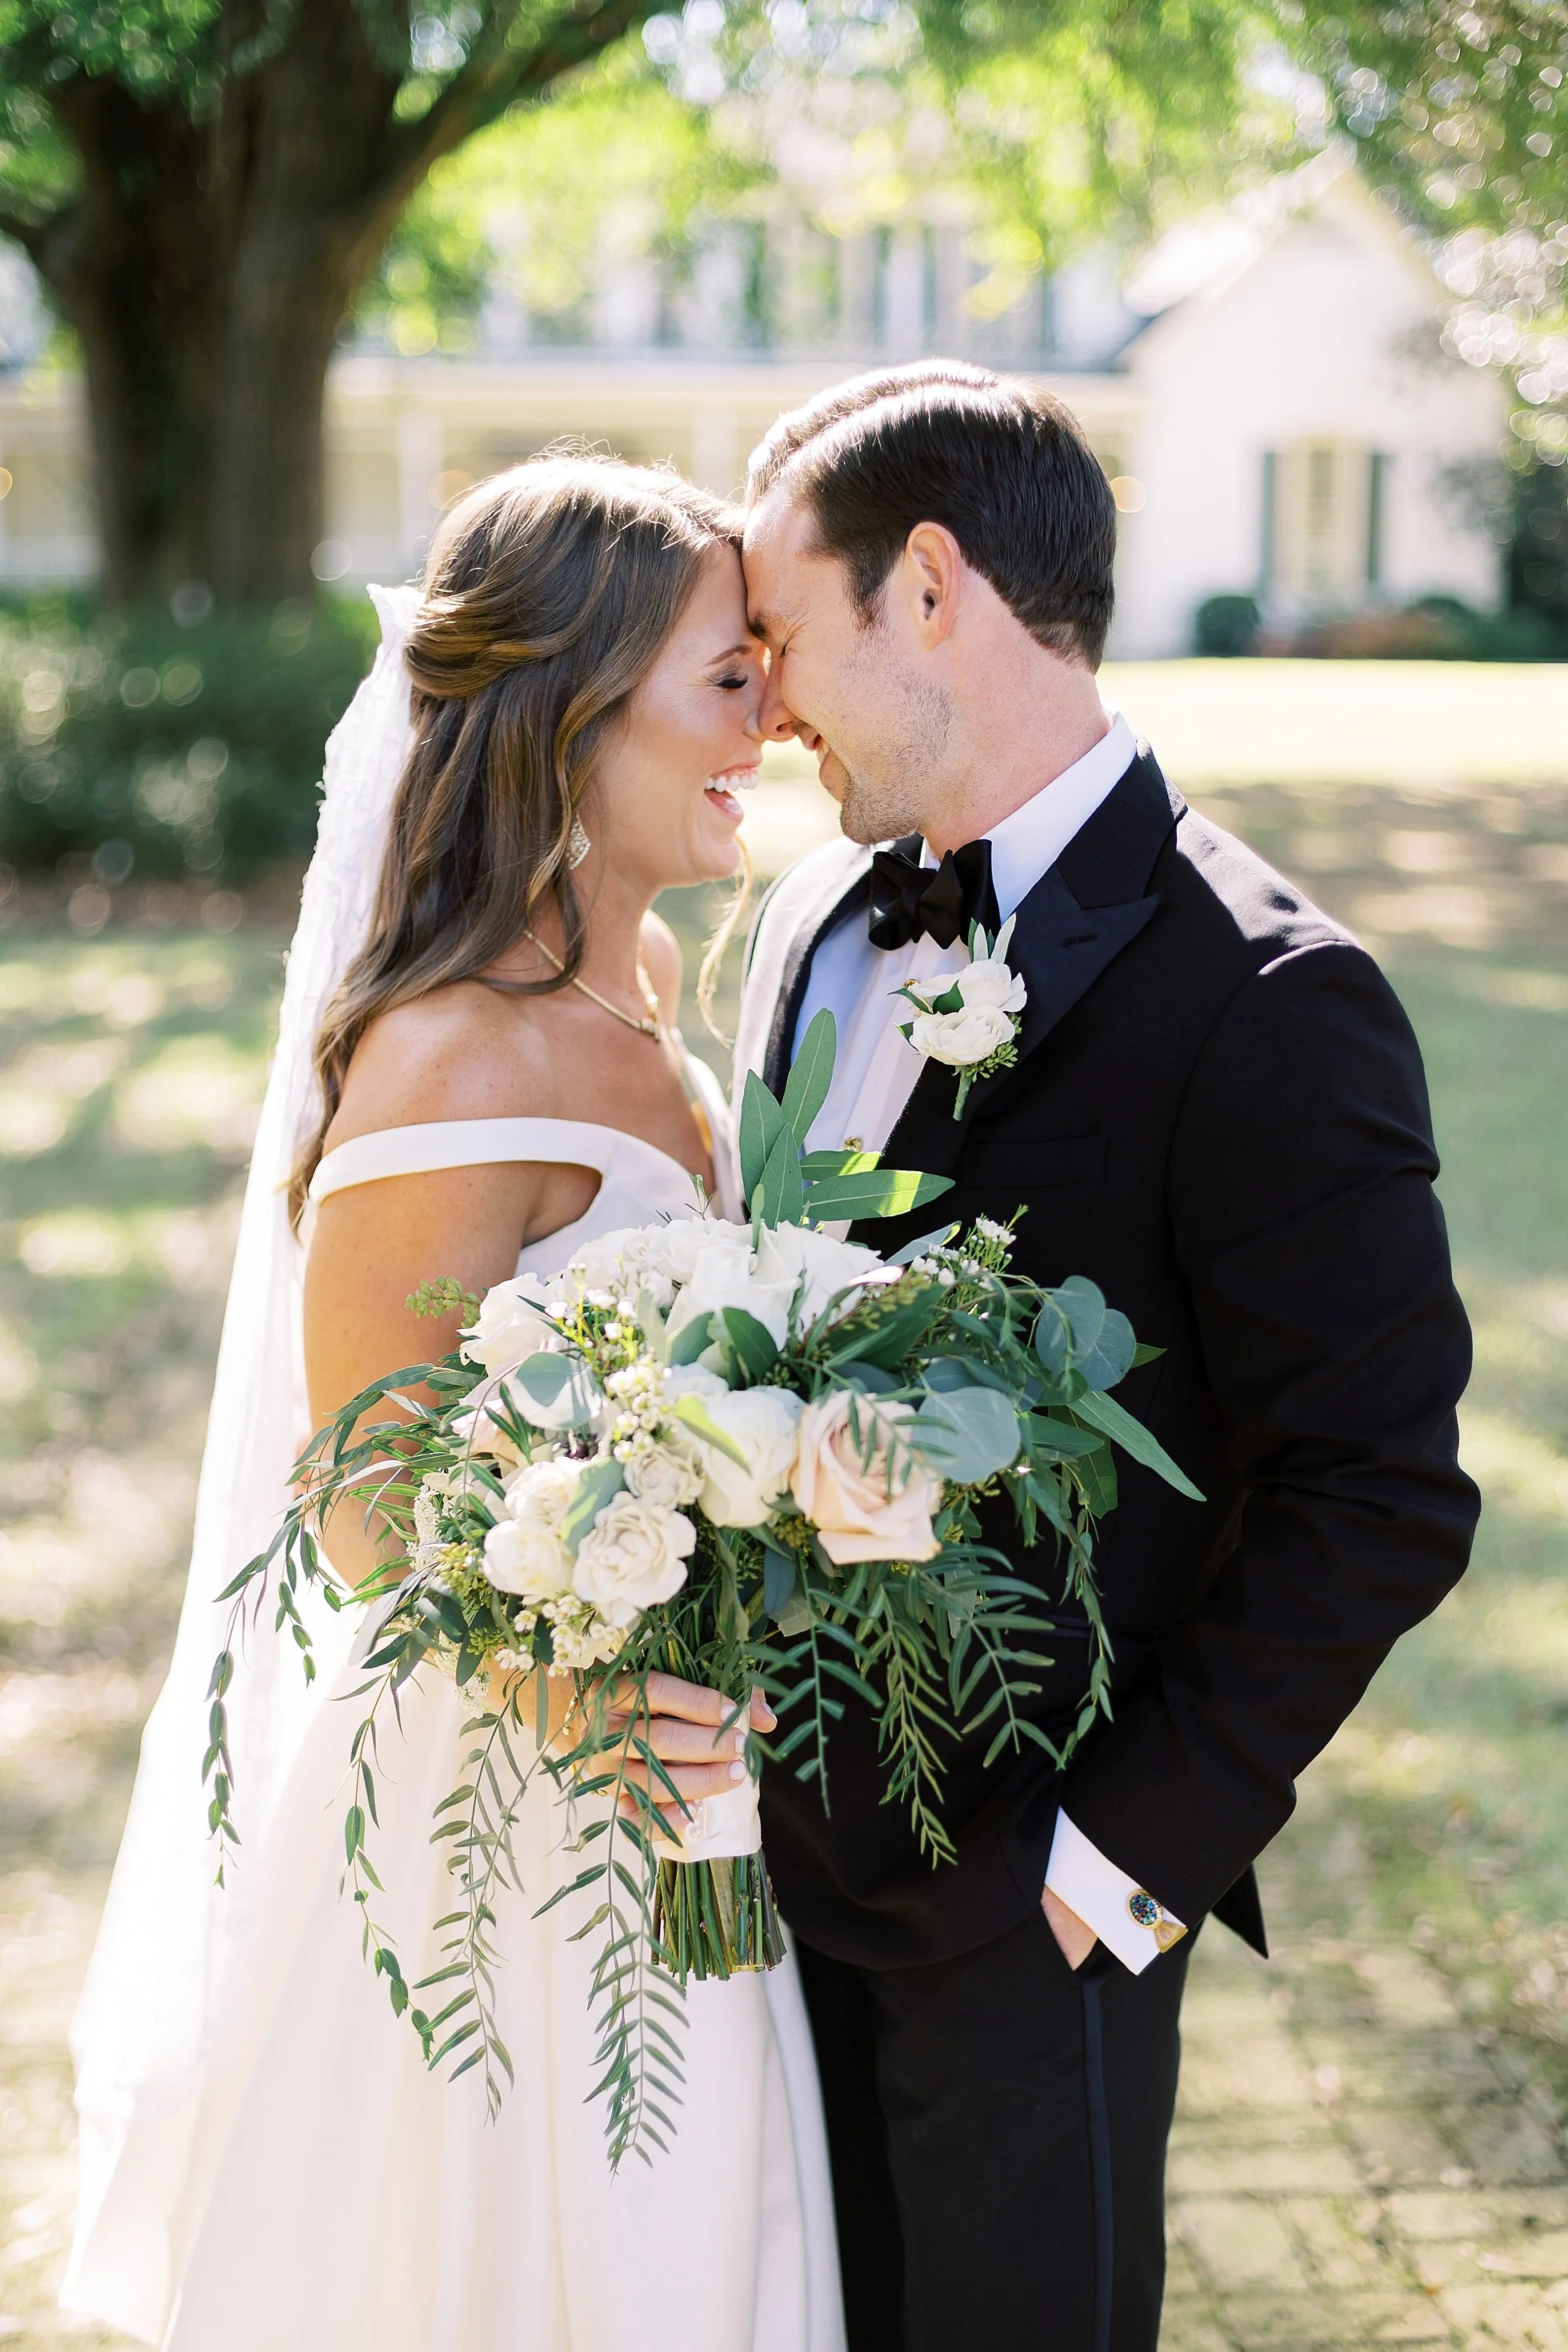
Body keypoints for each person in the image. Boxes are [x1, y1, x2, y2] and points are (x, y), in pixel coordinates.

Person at [734, 362, 1481, 2352]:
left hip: (1028, 1910)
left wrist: (1103, 1866)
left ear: (925, 586)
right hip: (758, 1882)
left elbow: (1378, 1491)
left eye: (781, 634)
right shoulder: (811, 926)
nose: (768, 695)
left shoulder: (1270, 998)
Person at [62, 456, 844, 2352]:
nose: (775, 718)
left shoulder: (650, 979)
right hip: (507, 1799)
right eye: (725, 680)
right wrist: (576, 1689)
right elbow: (360, 1488)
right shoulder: (450, 1050)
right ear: (572, 712)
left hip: (681, 1772)